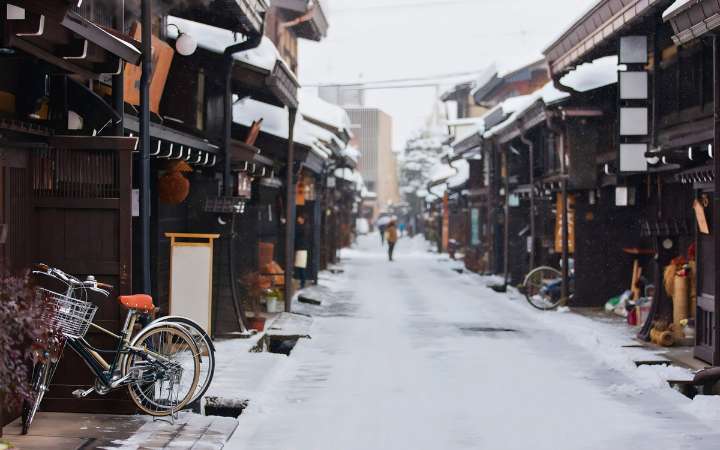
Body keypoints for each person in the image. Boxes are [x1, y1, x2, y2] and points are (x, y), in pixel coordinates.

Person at [294, 215, 310, 289]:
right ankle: (302, 282)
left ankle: (303, 282)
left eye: (299, 217)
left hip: (302, 248)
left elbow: (299, 234)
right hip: (301, 248)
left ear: (302, 219)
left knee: (301, 267)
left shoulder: (303, 227)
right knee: (300, 266)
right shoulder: (303, 227)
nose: (298, 219)